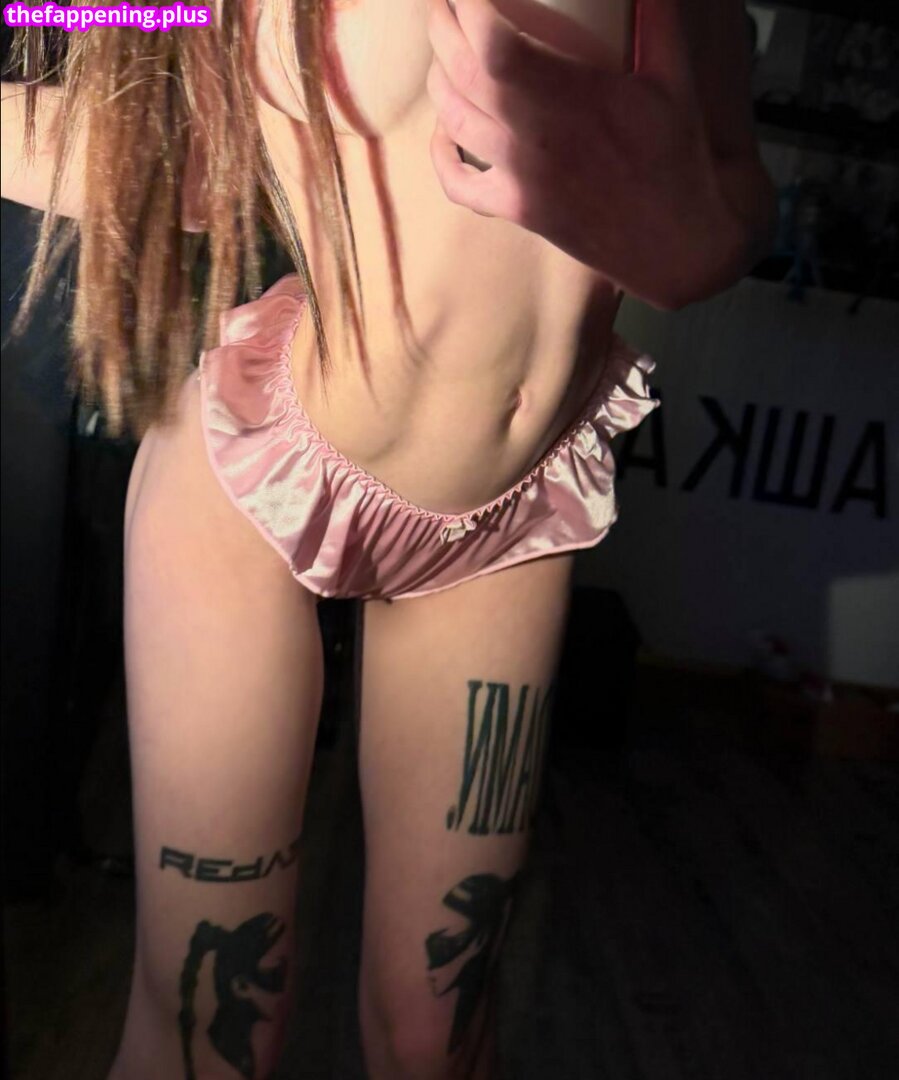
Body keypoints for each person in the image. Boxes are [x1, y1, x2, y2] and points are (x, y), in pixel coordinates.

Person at [1, 1, 776, 1076]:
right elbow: (170, 149)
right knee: (210, 1032)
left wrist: (687, 236)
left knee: (438, 1034)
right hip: (259, 477)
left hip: (513, 513)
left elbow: (733, 200)